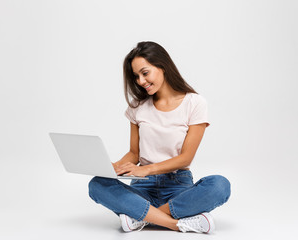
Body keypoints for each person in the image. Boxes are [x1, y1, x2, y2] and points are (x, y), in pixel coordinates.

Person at [88, 41, 231, 233]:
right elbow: (134, 153)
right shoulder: (137, 107)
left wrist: (147, 170)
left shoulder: (195, 103)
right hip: (142, 188)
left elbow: (186, 158)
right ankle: (176, 222)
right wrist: (116, 167)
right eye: (136, 76)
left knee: (220, 185)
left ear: (163, 66)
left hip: (178, 185)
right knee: (97, 184)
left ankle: (140, 217)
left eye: (145, 73)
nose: (140, 81)